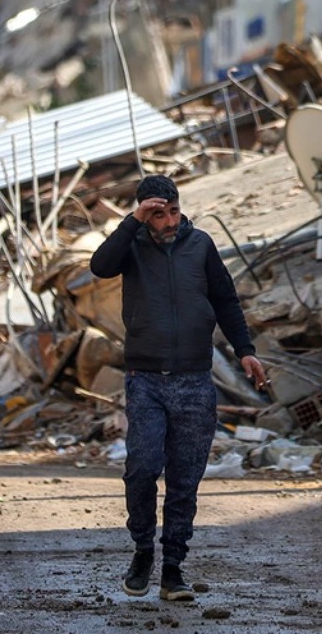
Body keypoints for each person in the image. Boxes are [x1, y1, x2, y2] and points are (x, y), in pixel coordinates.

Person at [90, 174, 266, 601]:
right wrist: (132, 222)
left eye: (173, 211)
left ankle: (173, 569)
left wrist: (245, 350)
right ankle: (142, 551)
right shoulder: (130, 245)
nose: (169, 221)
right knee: (143, 468)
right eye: (158, 214)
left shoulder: (200, 244)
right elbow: (100, 266)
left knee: (185, 479)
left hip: (195, 380)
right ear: (144, 214)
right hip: (145, 380)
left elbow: (225, 299)